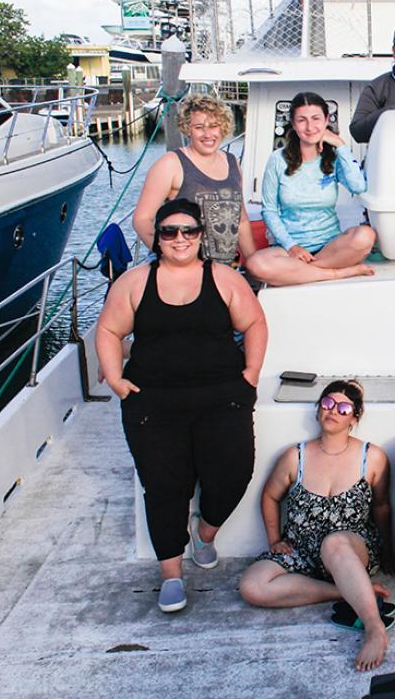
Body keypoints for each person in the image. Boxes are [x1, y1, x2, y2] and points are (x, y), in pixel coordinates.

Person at [95, 198, 266, 614]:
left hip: (222, 394)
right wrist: (116, 380)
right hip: (153, 402)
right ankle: (171, 574)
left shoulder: (224, 278)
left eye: (188, 231)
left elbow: (255, 323)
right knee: (165, 487)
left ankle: (204, 534)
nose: (179, 239)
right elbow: (108, 330)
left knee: (234, 471)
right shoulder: (134, 282)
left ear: (201, 236)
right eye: (169, 231)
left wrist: (251, 375)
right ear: (157, 238)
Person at [238, 380, 395, 672]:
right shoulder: (294, 456)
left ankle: (374, 628)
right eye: (327, 403)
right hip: (301, 548)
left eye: (344, 407)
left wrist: (388, 550)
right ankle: (347, 590)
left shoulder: (371, 457)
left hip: (350, 547)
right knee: (252, 586)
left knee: (334, 543)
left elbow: (382, 505)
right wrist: (274, 539)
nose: (333, 411)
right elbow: (270, 496)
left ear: (355, 417)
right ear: (318, 409)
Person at [245, 92, 377, 285]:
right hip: (289, 249)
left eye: (316, 119)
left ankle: (301, 274)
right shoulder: (277, 160)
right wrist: (292, 247)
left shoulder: (333, 158)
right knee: (256, 265)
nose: (309, 127)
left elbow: (358, 186)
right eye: (302, 120)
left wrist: (340, 144)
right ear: (293, 123)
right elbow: (270, 211)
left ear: (326, 121)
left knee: (366, 236)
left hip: (331, 246)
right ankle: (336, 273)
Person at [133, 93, 255, 266]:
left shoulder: (232, 162)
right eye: (199, 127)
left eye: (214, 126)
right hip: (184, 269)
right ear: (187, 128)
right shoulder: (170, 164)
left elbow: (241, 221)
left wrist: (252, 262)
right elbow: (142, 219)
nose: (207, 134)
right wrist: (169, 255)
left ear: (223, 127)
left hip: (225, 268)